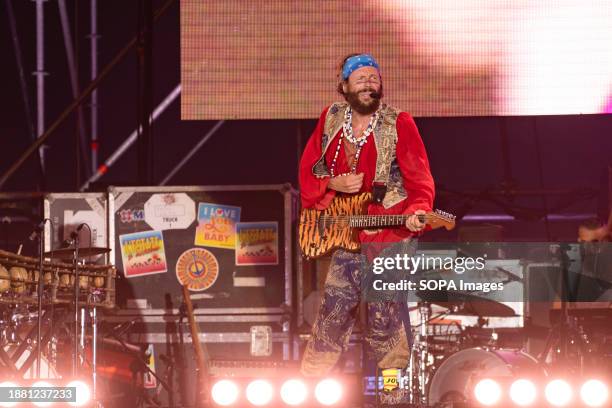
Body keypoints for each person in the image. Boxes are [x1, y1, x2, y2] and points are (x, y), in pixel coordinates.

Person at [298, 53, 435, 405]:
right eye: (360, 77)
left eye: (374, 77)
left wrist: (418, 211)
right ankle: (309, 394)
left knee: (385, 317)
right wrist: (333, 185)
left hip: (389, 236)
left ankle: (392, 399)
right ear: (343, 86)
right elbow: (309, 173)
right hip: (346, 234)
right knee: (331, 313)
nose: (369, 82)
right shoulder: (330, 121)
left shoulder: (398, 122)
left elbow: (420, 179)